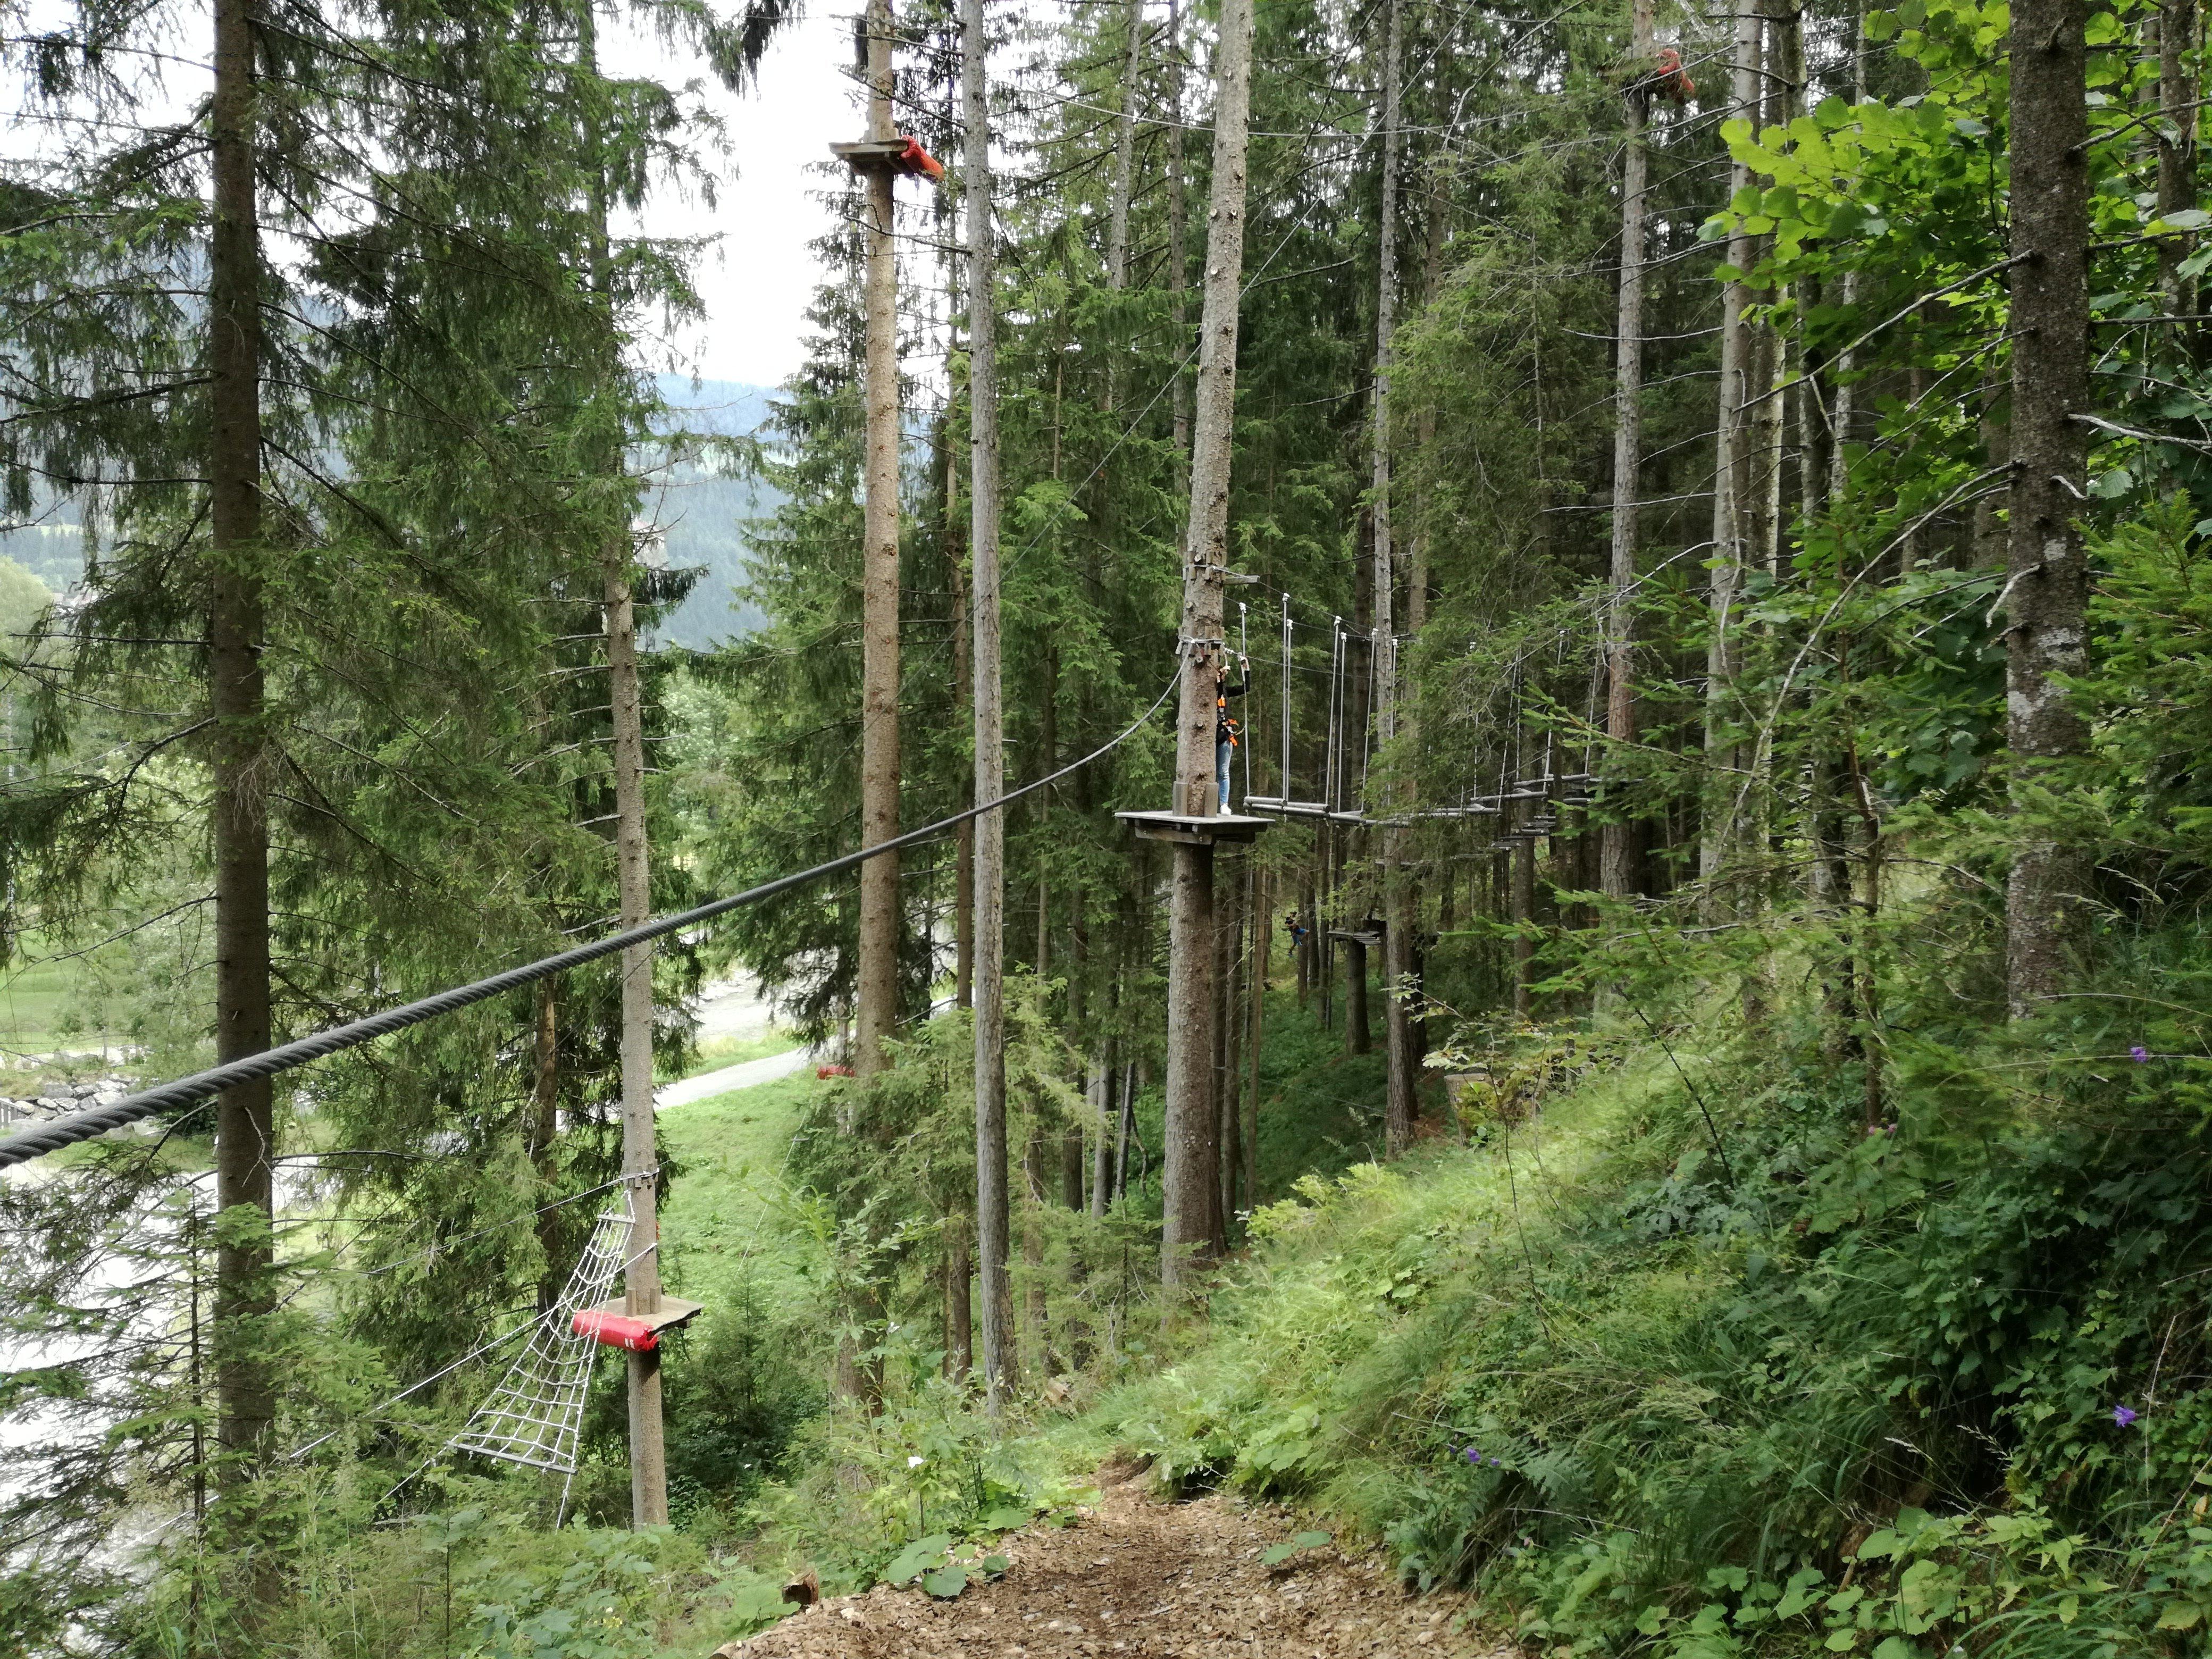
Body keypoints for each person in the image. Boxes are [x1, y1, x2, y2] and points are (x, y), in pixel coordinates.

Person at [1214, 651, 1248, 811]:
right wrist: (1219, 679)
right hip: (1208, 737)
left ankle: (1224, 804)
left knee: (1223, 772)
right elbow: (1217, 691)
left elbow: (1246, 688)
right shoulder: (1206, 691)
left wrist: (1246, 669)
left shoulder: (1225, 691)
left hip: (1223, 736)